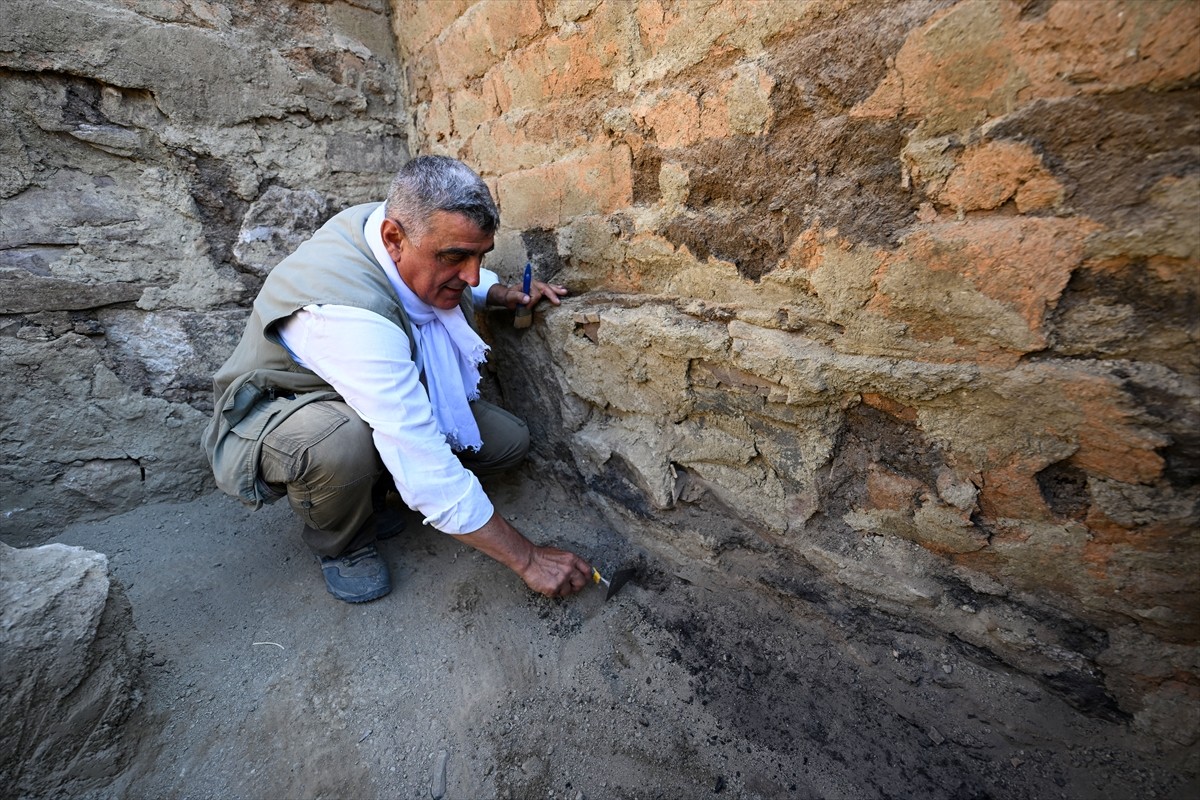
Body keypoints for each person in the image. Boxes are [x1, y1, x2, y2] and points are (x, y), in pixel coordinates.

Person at [202, 155, 594, 603]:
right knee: (339, 443)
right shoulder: (346, 316)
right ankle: (343, 541)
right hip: (287, 411)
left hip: (360, 392)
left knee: (506, 441)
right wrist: (528, 559)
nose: (468, 276)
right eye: (455, 258)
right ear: (394, 239)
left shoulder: (399, 223)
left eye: (479, 257)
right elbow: (423, 456)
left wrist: (498, 292)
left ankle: (377, 490)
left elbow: (458, 266)